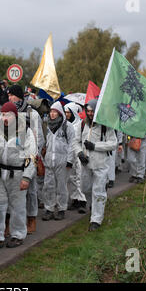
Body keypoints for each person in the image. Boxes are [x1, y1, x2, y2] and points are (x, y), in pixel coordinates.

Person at [0, 102, 37, 250]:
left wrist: (27, 177)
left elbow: (31, 156)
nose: (4, 117)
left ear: (15, 116)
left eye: (8, 115)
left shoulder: (25, 132)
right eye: (2, 114)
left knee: (17, 207)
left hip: (17, 173)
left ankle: (17, 235)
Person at [74, 99, 117, 231]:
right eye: (88, 111)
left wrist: (95, 146)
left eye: (92, 111)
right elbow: (76, 142)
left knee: (98, 192)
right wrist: (80, 153)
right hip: (86, 164)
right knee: (85, 188)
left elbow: (113, 143)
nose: (90, 113)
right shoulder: (83, 124)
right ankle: (93, 204)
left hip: (100, 164)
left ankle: (96, 220)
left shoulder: (106, 126)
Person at [7, 85, 44, 234]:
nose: (10, 98)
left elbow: (39, 136)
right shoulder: (8, 112)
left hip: (29, 155)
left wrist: (35, 155)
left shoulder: (32, 113)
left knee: (31, 189)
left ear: (19, 96)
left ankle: (31, 219)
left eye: (12, 95)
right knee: (12, 190)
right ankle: (13, 221)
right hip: (14, 157)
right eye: (8, 95)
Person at [41, 102, 75, 221]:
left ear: (60, 113)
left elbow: (72, 144)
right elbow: (45, 142)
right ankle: (49, 209)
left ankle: (61, 209)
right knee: (48, 186)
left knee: (61, 186)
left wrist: (70, 160)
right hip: (49, 160)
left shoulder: (67, 126)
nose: (52, 114)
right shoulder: (48, 126)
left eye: (55, 112)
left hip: (63, 160)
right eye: (51, 111)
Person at [64, 102, 87, 213]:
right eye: (65, 112)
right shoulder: (65, 124)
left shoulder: (80, 124)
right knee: (71, 178)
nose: (66, 114)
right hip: (69, 154)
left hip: (79, 153)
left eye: (68, 112)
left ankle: (82, 200)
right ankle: (74, 199)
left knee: (80, 177)